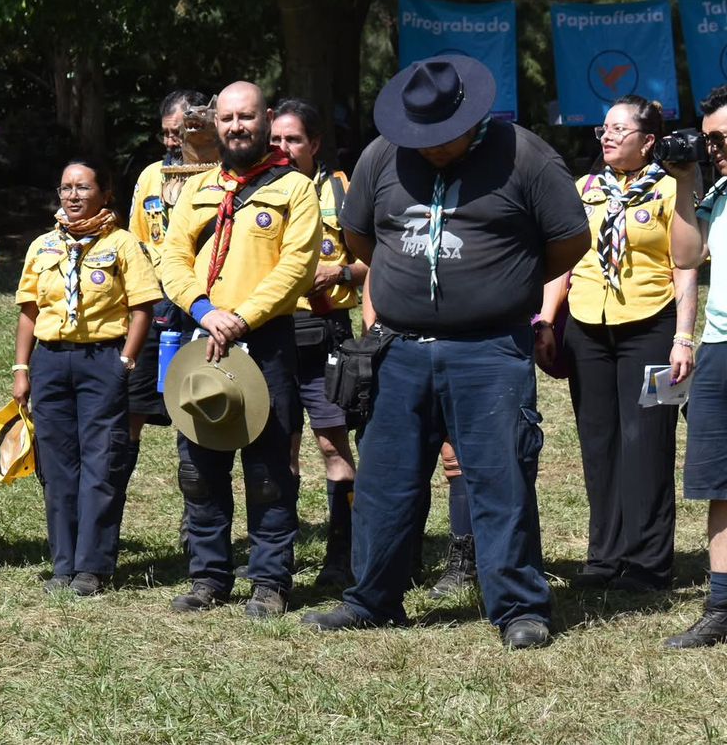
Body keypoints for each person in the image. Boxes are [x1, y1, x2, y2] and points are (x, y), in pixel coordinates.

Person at [303, 55, 589, 650]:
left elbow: (569, 240)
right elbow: (361, 237)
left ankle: (518, 607)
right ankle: (372, 599)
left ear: (471, 118)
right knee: (385, 481)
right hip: (400, 348)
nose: (430, 146)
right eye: (420, 136)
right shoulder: (381, 156)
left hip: (490, 350)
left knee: (500, 478)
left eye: (442, 136)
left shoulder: (526, 156)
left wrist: (504, 282)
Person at [159, 81, 321, 619]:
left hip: (266, 341)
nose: (235, 127)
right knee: (199, 466)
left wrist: (242, 318)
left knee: (269, 471)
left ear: (265, 118)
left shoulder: (295, 190)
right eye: (227, 118)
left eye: (246, 117)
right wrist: (206, 311)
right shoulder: (199, 189)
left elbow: (296, 267)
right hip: (203, 336)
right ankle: (208, 576)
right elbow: (172, 258)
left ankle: (270, 580)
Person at [537, 95, 701, 593]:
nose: (606, 137)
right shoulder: (583, 189)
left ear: (648, 141)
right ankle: (604, 557)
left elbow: (685, 267)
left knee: (648, 443)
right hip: (588, 328)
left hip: (652, 328)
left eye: (617, 130)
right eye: (602, 130)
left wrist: (683, 338)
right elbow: (564, 260)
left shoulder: (673, 188)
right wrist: (546, 318)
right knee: (599, 443)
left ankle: (648, 563)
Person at [13, 159, 158, 597]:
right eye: (66, 188)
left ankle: (92, 567)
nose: (73, 196)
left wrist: (126, 361)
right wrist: (22, 369)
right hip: (51, 362)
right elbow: (29, 311)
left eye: (83, 188)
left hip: (102, 360)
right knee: (56, 467)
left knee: (101, 463)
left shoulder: (123, 244)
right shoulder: (43, 246)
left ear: (104, 194)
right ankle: (63, 565)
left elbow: (142, 307)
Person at [270, 98, 366, 588]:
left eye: (293, 139)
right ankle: (278, 555)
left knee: (332, 444)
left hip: (326, 335)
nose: (283, 147)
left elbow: (378, 259)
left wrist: (340, 272)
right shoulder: (255, 191)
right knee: (280, 449)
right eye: (275, 139)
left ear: (315, 144)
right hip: (273, 336)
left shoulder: (342, 190)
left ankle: (342, 554)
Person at [664, 85, 727, 648]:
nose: (715, 150)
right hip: (720, 348)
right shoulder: (718, 191)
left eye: (724, 139)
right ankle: (722, 605)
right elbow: (686, 255)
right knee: (720, 483)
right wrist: (686, 183)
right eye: (710, 141)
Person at [124, 90, 213, 475]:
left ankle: (196, 494)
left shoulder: (218, 178)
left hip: (202, 303)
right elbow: (136, 239)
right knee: (132, 404)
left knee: (194, 405)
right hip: (156, 302)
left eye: (179, 132)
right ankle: (112, 495)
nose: (171, 141)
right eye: (166, 133)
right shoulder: (150, 176)